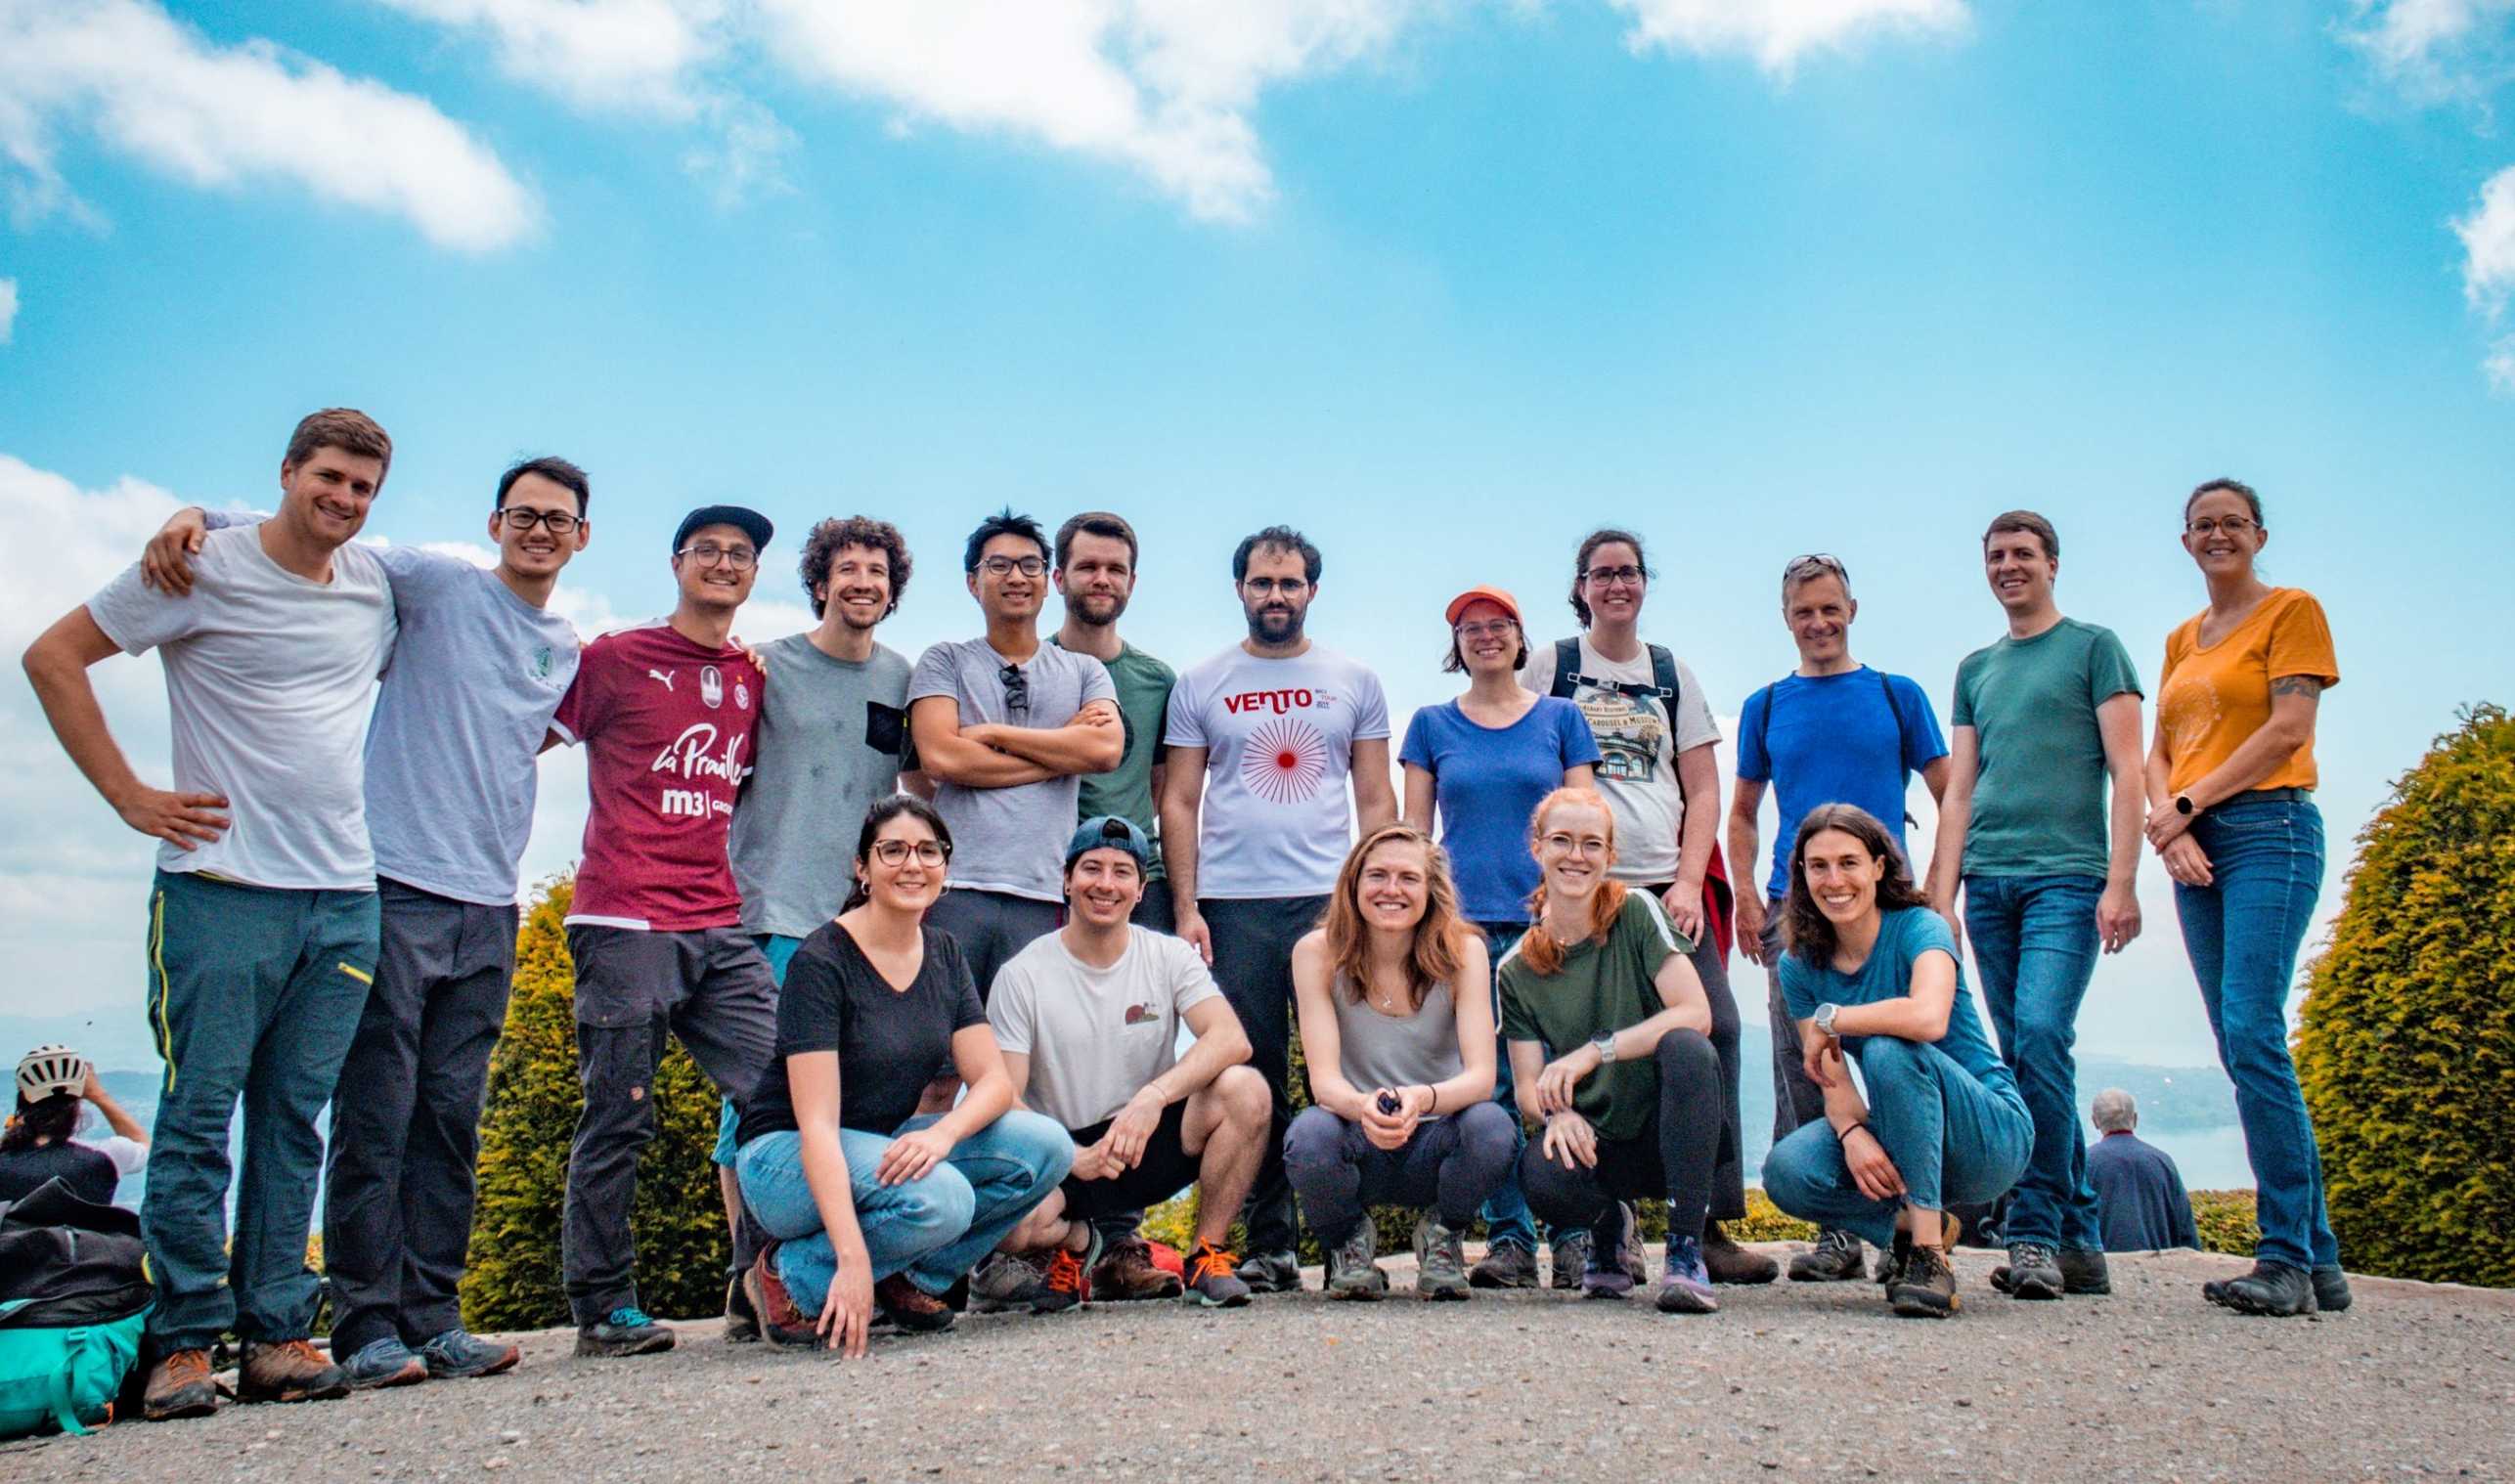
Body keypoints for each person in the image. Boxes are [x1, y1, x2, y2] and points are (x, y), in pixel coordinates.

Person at [143, 455, 595, 1387]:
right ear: (494, 521)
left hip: (491, 903)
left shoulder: (567, 646)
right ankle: (364, 1325)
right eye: (524, 513)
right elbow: (314, 533)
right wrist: (199, 512)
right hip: (390, 884)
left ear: (582, 536)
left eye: (558, 519)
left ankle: (436, 1316)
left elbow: (534, 736)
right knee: (375, 1115)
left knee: (450, 1119)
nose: (539, 530)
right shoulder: (434, 581)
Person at [22, 408, 399, 1419]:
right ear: (287, 473)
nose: (344, 500)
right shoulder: (201, 569)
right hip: (219, 889)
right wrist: (126, 796)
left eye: (363, 488)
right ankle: (184, 1341)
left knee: (293, 1122)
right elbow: (52, 657)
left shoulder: (372, 584)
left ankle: (276, 1332)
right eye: (327, 478)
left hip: (344, 897)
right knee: (198, 1120)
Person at [546, 505, 781, 1359]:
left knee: (780, 1088)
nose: (724, 564)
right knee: (620, 1116)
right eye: (708, 551)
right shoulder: (615, 658)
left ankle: (766, 1281)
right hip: (622, 919)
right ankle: (603, 1308)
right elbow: (525, 736)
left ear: (755, 573)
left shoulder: (749, 678)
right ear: (677, 562)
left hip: (717, 919)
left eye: (741, 554)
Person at [1521, 531, 1777, 1288]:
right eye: (1602, 574)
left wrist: (1691, 883)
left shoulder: (1670, 673)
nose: (1616, 585)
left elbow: (1702, 788)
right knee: (1588, 1039)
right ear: (1581, 587)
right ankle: (1610, 1218)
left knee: (1714, 1029)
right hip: (1582, 889)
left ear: (1644, 583)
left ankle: (1708, 1222)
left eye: (1628, 572)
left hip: (1664, 885)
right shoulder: (1554, 667)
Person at [730, 797, 1074, 1352]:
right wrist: (850, 1253)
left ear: (945, 866)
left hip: (874, 1146)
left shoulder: (942, 953)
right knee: (942, 1198)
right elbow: (817, 1126)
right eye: (893, 850)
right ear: (863, 869)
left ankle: (909, 1276)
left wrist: (943, 1132)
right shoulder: (823, 961)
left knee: (1045, 1146)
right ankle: (790, 1276)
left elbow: (992, 1082)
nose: (912, 864)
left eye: (928, 851)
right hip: (784, 1158)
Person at [1162, 525, 1397, 1292]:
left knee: (1357, 1063)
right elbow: (1182, 798)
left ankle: (1347, 1236)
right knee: (1252, 1071)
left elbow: (1373, 795)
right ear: (1240, 589)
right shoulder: (1201, 682)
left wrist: (1390, 891)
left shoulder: (1354, 678)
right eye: (1262, 583)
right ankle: (1266, 1245)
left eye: (1289, 583)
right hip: (1233, 904)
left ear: (1312, 592)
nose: (1275, 596)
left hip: (1334, 905)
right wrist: (1188, 907)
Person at [1923, 510, 2145, 1305]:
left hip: (2068, 879)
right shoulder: (1976, 668)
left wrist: (2123, 881)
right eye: (1996, 556)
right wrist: (1936, 900)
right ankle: (2082, 1238)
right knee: (2021, 1054)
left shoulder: (2095, 648)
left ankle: (2034, 1229)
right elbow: (1959, 793)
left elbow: (2129, 770)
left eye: (2023, 554)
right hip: (1989, 880)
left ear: (2053, 563)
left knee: (2044, 1038)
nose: (2009, 566)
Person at [2144, 478, 2349, 1319]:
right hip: (2198, 847)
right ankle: (2322, 1263)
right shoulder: (2181, 638)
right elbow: (2161, 750)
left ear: (2258, 534)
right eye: (2203, 525)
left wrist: (2191, 806)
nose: (2218, 535)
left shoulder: (2292, 610)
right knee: (2240, 1044)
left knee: (2255, 1032)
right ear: (2186, 541)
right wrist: (2173, 825)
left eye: (2232, 523)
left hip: (2272, 829)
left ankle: (2285, 1258)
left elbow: (2287, 732)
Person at [719, 515, 922, 1339]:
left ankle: (813, 1267)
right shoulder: (766, 666)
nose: (863, 582)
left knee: (852, 1103)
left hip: (857, 929)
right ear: (819, 582)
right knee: (758, 1103)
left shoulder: (904, 678)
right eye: (848, 569)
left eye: (877, 571)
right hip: (771, 911)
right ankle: (746, 1275)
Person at [1728, 552, 1949, 1284]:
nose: (1818, 623)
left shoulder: (1896, 695)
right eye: (1803, 612)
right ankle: (1838, 1231)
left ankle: (1921, 1222)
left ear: (1852, 609)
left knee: (1899, 1052)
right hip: (1797, 907)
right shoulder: (1767, 705)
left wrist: (1941, 894)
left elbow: (1953, 795)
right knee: (1804, 1060)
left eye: (1829, 608)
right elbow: (1743, 812)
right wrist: (1747, 895)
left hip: (1889, 901)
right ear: (1786, 620)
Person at [1393, 584, 1610, 1291]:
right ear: (1455, 646)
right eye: (1470, 628)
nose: (1486, 636)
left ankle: (1576, 1234)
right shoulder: (1430, 725)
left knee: (1562, 1080)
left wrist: (1585, 910)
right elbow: (1414, 838)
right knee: (1484, 1089)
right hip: (1463, 932)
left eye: (1500, 626)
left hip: (1552, 927)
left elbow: (1586, 818)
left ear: (1522, 639)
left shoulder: (1561, 718)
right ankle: (1511, 1239)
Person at [1760, 806, 2032, 1319]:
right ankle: (1911, 1226)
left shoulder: (1920, 928)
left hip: (1988, 1133)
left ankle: (1929, 1258)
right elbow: (1831, 1079)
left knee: (1889, 1047)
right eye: (1818, 866)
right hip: (1907, 1129)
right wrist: (1851, 1135)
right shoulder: (1800, 964)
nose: (1834, 880)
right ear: (1801, 875)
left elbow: (1928, 1018)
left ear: (1879, 867)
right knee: (1788, 1170)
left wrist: (1836, 1016)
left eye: (1849, 863)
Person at [991, 817, 1267, 1311]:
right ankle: (1078, 1247)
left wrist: (1153, 1097)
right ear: (1067, 880)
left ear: (1141, 890)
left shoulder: (1168, 955)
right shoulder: (1022, 975)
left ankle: (1206, 1252)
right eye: (1091, 868)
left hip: (1144, 1140)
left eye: (1122, 872)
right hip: (1066, 1153)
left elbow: (1230, 1038)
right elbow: (1006, 1098)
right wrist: (1074, 1156)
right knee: (1013, 1227)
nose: (1105, 884)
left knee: (1244, 1089)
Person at [1499, 788, 1728, 1314]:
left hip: (1672, 1128)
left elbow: (1696, 1012)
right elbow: (1531, 1088)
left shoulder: (1638, 912)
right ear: (1537, 848)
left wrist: (1593, 1053)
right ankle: (1608, 1226)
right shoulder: (1515, 969)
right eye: (1561, 840)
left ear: (1610, 856)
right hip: (1599, 1140)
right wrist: (1557, 1116)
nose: (1576, 856)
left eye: (1591, 844)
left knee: (1688, 1049)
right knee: (1542, 1171)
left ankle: (1685, 1250)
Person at [1044, 511, 1187, 1302]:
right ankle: (1037, 1229)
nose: (1102, 580)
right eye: (1088, 566)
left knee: (1135, 1058)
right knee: (1043, 1060)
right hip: (1041, 886)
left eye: (1116, 569)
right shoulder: (1029, 666)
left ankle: (1120, 1238)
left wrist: (1176, 895)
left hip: (1139, 889)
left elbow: (1169, 794)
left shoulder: (1156, 681)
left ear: (1131, 582)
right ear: (1060, 576)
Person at [1284, 825, 1515, 1301]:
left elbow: (1481, 1078)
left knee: (1493, 1128)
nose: (1392, 890)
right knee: (1307, 1136)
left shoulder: (1464, 951)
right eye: (1378, 876)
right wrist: (1363, 1107)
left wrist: (1422, 1098)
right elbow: (1324, 1081)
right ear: (1353, 884)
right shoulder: (1316, 952)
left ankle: (1443, 1233)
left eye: (1408, 878)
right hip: (1357, 1130)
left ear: (1430, 891)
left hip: (1436, 1135)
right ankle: (1349, 1241)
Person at [908, 510, 1122, 997]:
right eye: (999, 566)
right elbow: (944, 759)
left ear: (1049, 582)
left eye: (1029, 566)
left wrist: (989, 734)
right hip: (955, 888)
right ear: (972, 581)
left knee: (1027, 1054)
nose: (1015, 578)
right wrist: (1062, 746)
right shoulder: (946, 661)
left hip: (1045, 891)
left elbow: (1105, 749)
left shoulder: (1085, 670)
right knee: (937, 1055)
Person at [1, 1047, 148, 1206]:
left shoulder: (4, 1158)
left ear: (23, 1099)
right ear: (77, 1102)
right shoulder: (107, 1155)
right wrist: (99, 1096)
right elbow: (147, 1147)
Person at [2086, 1089, 2200, 1253]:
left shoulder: (2085, 1162)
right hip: (2161, 1266)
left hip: (2103, 1266)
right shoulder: (2162, 1161)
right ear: (2135, 1119)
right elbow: (2185, 1227)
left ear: (2095, 1121)